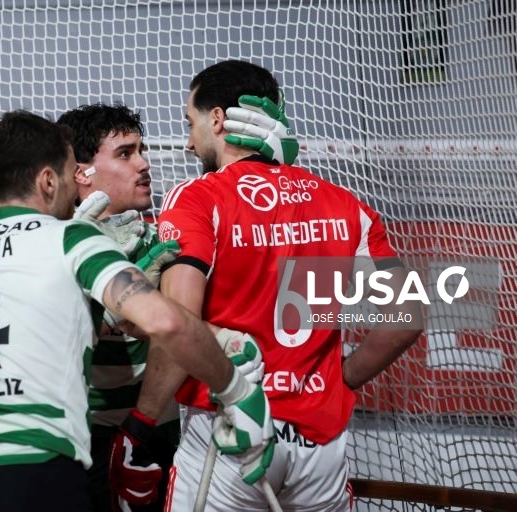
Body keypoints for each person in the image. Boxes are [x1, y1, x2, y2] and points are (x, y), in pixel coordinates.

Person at [0, 110, 271, 512]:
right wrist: (236, 387)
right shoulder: (75, 238)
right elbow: (166, 321)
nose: (144, 163)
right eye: (70, 173)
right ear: (52, 179)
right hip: (38, 464)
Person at [130, 60, 422, 511]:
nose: (189, 142)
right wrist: (339, 381)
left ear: (218, 119)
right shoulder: (344, 204)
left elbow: (176, 323)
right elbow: (408, 318)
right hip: (319, 447)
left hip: (230, 433)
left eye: (190, 123)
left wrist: (143, 421)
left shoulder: (199, 197)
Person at [58, 101, 300, 512]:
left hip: (161, 430)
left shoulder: (163, 237)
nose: (144, 164)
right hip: (90, 435)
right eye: (125, 153)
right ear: (82, 172)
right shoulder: (59, 241)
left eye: (142, 150)